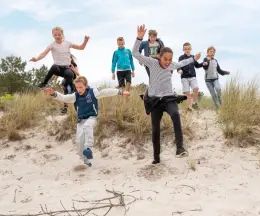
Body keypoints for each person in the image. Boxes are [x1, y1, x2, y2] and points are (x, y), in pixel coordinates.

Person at [133, 24, 201, 165]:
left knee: (176, 115)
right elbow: (135, 54)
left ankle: (180, 148)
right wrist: (139, 38)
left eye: (170, 60)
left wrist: (194, 58)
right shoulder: (152, 63)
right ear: (160, 57)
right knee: (155, 128)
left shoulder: (171, 65)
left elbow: (182, 63)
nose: (168, 62)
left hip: (168, 98)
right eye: (165, 59)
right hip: (154, 101)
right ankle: (156, 158)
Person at [44, 76, 130, 167]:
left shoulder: (93, 92)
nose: (78, 89)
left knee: (87, 126)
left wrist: (121, 92)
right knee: (79, 142)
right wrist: (53, 93)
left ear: (86, 86)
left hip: (92, 118)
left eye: (80, 87)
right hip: (81, 121)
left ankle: (89, 148)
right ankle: (86, 160)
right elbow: (64, 98)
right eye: (77, 87)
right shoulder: (75, 96)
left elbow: (106, 91)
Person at [30, 26, 90, 93]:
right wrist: (36, 59)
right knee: (54, 66)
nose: (57, 36)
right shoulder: (52, 45)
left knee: (70, 74)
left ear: (62, 35)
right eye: (55, 35)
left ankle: (66, 91)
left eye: (59, 35)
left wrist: (85, 41)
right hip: (58, 68)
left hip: (67, 68)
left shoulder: (67, 43)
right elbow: (43, 53)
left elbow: (81, 47)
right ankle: (44, 83)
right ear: (53, 36)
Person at [177, 42, 206, 111]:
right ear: (183, 50)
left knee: (196, 88)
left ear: (191, 49)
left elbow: (197, 65)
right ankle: (189, 108)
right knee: (187, 93)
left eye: (188, 49)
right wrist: (179, 70)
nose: (187, 50)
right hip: (184, 77)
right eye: (185, 49)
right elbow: (178, 66)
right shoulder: (181, 57)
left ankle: (195, 104)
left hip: (192, 76)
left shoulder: (193, 57)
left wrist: (203, 64)